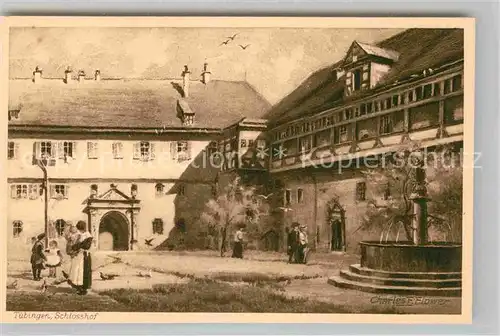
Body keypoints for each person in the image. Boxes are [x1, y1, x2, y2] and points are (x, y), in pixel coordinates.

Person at [67, 221, 93, 295]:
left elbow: (86, 246)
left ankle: (84, 289)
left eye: (80, 229)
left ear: (83, 228)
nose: (79, 231)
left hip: (85, 256)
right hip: (79, 255)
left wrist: (77, 246)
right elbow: (76, 244)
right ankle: (79, 287)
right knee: (77, 271)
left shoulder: (88, 236)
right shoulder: (80, 235)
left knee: (84, 272)